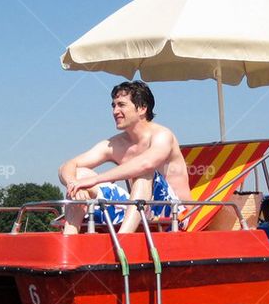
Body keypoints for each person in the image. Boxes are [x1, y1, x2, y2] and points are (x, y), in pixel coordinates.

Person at [58, 80, 192, 234]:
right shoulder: (116, 144)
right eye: (113, 105)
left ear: (142, 108)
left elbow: (146, 164)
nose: (115, 111)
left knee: (143, 174)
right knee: (80, 174)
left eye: (121, 105)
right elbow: (67, 165)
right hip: (138, 212)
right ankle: (68, 241)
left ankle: (124, 240)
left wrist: (95, 179)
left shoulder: (162, 135)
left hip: (176, 216)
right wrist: (74, 184)